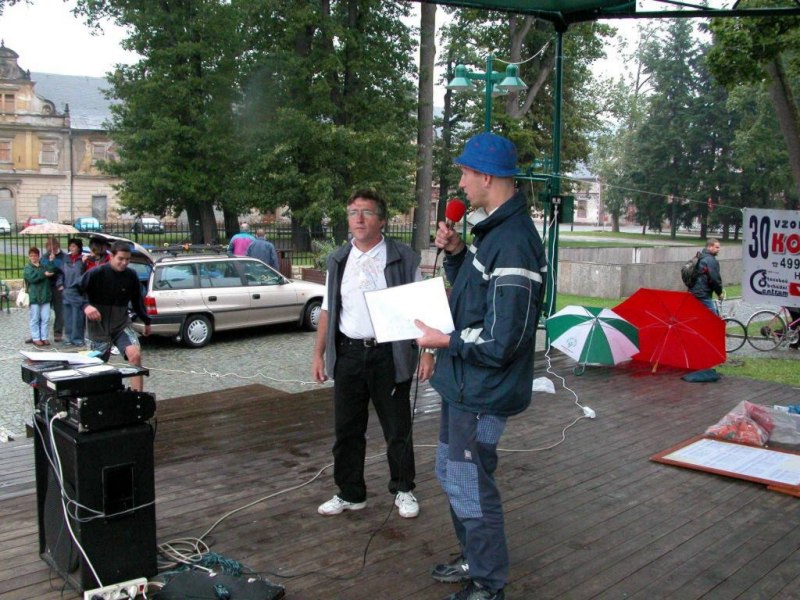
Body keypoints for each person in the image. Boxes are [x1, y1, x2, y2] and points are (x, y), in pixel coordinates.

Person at [414, 132, 546, 600]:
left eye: (466, 173)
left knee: (469, 480)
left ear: (487, 176)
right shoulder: (491, 232)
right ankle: (474, 558)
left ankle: (488, 584)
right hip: (464, 385)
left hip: (485, 390)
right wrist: (455, 254)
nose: (461, 183)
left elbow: (503, 340)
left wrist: (443, 340)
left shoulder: (514, 242)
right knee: (452, 473)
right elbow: (475, 295)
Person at [311, 189, 423, 520]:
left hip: (389, 354)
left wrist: (428, 352)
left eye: (367, 212)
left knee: (397, 428)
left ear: (382, 220)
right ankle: (350, 493)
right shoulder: (338, 260)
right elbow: (328, 310)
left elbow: (420, 307)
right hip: (348, 353)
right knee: (346, 430)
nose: (358, 219)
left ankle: (403, 488)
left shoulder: (403, 258)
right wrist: (319, 354)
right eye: (353, 212)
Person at [80, 240, 151, 391]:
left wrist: (146, 321)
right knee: (96, 366)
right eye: (121, 259)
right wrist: (86, 306)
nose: (124, 263)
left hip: (120, 325)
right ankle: (97, 397)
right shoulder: (96, 273)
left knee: (135, 355)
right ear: (111, 256)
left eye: (127, 259)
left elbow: (137, 301)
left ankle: (137, 396)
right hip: (98, 327)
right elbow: (72, 291)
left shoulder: (131, 275)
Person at [23, 247, 53, 347]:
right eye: (31, 256)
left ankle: (44, 337)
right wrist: (44, 274)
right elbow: (32, 278)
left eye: (35, 256)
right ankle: (36, 338)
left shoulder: (43, 266)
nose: (33, 258)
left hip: (45, 296)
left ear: (38, 256)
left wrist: (51, 261)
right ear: (29, 257)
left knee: (46, 318)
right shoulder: (27, 267)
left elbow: (51, 271)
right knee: (35, 319)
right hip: (34, 296)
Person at [61, 237, 87, 347]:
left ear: (79, 248)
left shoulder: (82, 259)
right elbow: (61, 273)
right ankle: (68, 337)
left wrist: (84, 263)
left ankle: (78, 338)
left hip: (77, 291)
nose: (71, 248)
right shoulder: (65, 259)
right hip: (66, 290)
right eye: (70, 246)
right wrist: (60, 284)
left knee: (78, 316)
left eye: (74, 246)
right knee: (68, 316)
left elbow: (85, 274)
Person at [40, 236, 66, 342]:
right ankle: (39, 334)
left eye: (53, 248)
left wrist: (54, 262)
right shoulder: (45, 256)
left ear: (57, 246)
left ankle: (58, 333)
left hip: (58, 286)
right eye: (48, 248)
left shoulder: (63, 257)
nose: (50, 250)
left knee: (59, 311)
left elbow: (64, 271)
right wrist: (47, 266)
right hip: (46, 286)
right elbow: (42, 268)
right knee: (42, 311)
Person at [689, 238, 724, 315]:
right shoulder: (710, 260)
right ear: (710, 247)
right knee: (714, 318)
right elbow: (715, 279)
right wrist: (719, 293)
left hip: (693, 291)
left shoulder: (700, 257)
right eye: (716, 247)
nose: (719, 249)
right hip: (702, 294)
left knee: (700, 315)